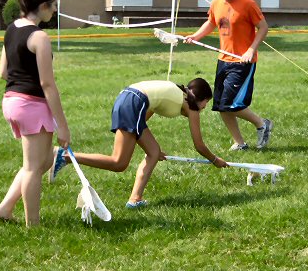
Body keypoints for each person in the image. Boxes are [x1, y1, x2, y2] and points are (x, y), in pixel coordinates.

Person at [48, 78, 228, 208]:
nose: (204, 107)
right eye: (206, 102)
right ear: (200, 98)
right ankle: (65, 156)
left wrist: (147, 144)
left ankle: (135, 200)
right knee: (119, 163)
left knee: (153, 152)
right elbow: (199, 145)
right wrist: (215, 160)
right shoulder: (191, 105)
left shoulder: (178, 93)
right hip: (133, 102)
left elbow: (147, 112)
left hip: (128, 98)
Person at [0, 0, 71, 226]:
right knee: (33, 169)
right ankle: (33, 225)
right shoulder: (39, 37)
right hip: (31, 105)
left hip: (11, 101)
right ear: (43, 6)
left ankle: (4, 208)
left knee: (43, 161)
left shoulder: (12, 28)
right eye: (54, 5)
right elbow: (48, 85)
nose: (55, 10)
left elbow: (3, 72)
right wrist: (63, 126)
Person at [185, 0, 273, 151]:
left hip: (243, 61)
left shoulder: (248, 4)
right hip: (223, 60)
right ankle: (239, 143)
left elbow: (263, 27)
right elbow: (211, 23)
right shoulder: (216, 3)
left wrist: (250, 50)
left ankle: (262, 124)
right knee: (220, 106)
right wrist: (196, 36)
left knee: (231, 103)